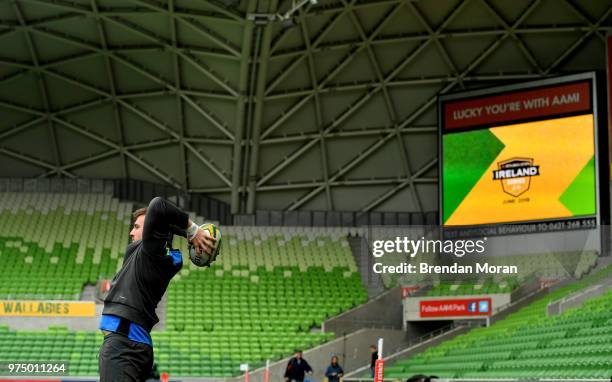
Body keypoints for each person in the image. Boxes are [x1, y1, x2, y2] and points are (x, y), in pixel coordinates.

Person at [98, 197, 216, 381]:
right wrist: (190, 234)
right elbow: (165, 221)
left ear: (152, 229)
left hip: (124, 345)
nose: (131, 232)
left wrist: (194, 230)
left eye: (137, 227)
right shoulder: (150, 253)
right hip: (130, 343)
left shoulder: (151, 252)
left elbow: (159, 205)